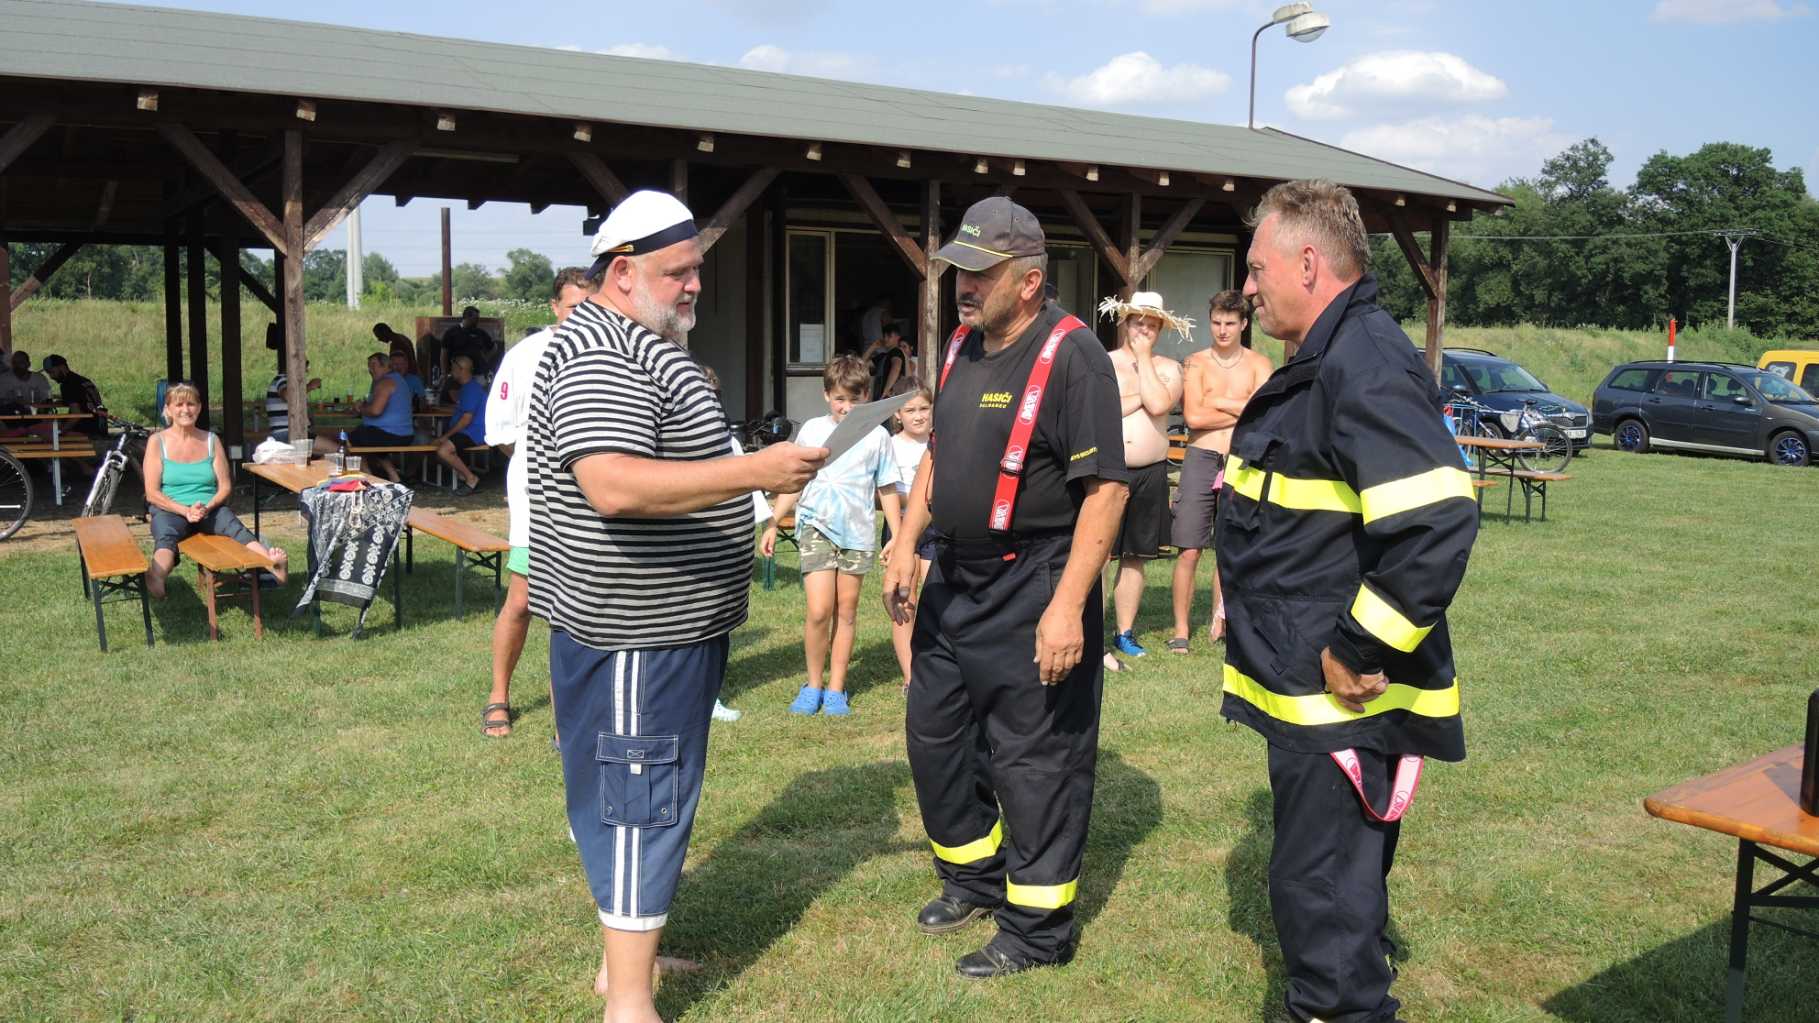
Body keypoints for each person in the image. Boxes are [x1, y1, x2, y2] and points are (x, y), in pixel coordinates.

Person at [523, 189, 826, 1023]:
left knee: (635, 794)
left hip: (664, 626)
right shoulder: (601, 351)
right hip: (636, 632)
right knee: (637, 800)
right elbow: (612, 484)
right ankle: (629, 1002)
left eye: (697, 268)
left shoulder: (635, 340)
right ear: (622, 274)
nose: (695, 285)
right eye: (678, 271)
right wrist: (754, 473)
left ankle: (623, 965)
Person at [1219, 180, 1478, 1023]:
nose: (1247, 287)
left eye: (1256, 268)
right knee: (1329, 885)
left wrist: (1359, 648)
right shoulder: (1330, 356)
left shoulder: (1361, 358)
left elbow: (1436, 518)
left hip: (1340, 696)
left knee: (1322, 898)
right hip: (1309, 688)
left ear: (1306, 261)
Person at [881, 196, 1128, 979]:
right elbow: (936, 454)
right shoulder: (958, 345)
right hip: (953, 575)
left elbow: (1108, 491)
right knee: (936, 737)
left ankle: (1037, 927)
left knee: (1035, 761)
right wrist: (904, 540)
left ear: (1027, 281)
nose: (962, 284)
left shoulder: (1073, 355)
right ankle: (973, 877)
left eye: (978, 272)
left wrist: (1066, 607)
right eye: (958, 269)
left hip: (1035, 581)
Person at [481, 265, 593, 739]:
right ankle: (498, 696)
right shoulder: (526, 355)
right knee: (523, 599)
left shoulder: (606, 351)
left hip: (593, 503)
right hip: (536, 501)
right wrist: (540, 468)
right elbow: (501, 433)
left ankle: (566, 713)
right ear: (554, 307)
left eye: (590, 307)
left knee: (579, 607)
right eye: (573, 308)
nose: (581, 316)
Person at [761, 355, 904, 717]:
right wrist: (775, 519)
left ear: (867, 396)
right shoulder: (810, 430)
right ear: (827, 395)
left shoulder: (878, 436)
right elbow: (796, 482)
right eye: (840, 398)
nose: (847, 407)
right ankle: (812, 684)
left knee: (848, 611)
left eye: (855, 399)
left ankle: (837, 688)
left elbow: (886, 488)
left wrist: (898, 536)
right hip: (816, 527)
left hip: (856, 534)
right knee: (820, 609)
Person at [1169, 290, 1271, 651]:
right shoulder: (1196, 362)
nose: (1222, 330)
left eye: (1230, 323)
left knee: (1229, 546)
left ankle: (1220, 622)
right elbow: (1193, 417)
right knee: (1190, 549)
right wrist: (1240, 406)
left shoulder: (1260, 364)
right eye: (1216, 322)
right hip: (1200, 457)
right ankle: (1180, 629)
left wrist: (1220, 400)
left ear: (1244, 324)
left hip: (1240, 459)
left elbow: (1261, 415)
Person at [1096, 292, 1186, 665]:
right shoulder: (1104, 361)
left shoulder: (1168, 366)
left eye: (1151, 324)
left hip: (1150, 471)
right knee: (1098, 554)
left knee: (1134, 557)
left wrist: (1144, 361)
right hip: (1108, 471)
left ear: (1160, 328)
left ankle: (1125, 632)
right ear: (1125, 322)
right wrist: (1141, 396)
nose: (1143, 329)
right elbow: (1101, 409)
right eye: (1137, 322)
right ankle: (1091, 632)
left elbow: (1162, 404)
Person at [143, 381, 288, 599]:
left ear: (199, 408)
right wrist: (185, 511)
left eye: (191, 404)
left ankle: (272, 565)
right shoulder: (157, 441)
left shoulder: (211, 440)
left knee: (234, 526)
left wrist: (206, 506)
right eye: (179, 404)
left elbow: (226, 486)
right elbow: (152, 493)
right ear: (168, 409)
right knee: (166, 536)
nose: (185, 409)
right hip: (171, 508)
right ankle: (157, 575)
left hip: (208, 507)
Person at [885, 383, 934, 691]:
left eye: (924, 409)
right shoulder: (889, 445)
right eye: (910, 410)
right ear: (897, 415)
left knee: (935, 594)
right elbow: (884, 490)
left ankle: (934, 663)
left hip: (938, 529)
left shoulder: (941, 443)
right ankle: (910, 676)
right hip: (900, 528)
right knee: (906, 598)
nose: (918, 416)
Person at [313, 353, 412, 483]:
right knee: (363, 436)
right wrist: (363, 407)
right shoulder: (395, 379)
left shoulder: (386, 382)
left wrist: (360, 409)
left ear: (386, 366)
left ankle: (368, 478)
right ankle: (395, 477)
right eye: (368, 366)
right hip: (402, 433)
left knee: (348, 440)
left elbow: (375, 411)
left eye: (373, 365)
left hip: (391, 434)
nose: (370, 369)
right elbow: (376, 406)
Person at [433, 355, 488, 496]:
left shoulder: (471, 389)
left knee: (443, 451)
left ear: (461, 369)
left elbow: (466, 419)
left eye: (453, 368)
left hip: (473, 432)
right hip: (467, 431)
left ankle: (471, 479)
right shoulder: (467, 387)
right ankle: (463, 475)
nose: (451, 370)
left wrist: (445, 436)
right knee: (435, 449)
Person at [40, 355, 106, 438]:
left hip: (84, 429)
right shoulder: (82, 380)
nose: (51, 376)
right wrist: (55, 403)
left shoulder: (68, 384)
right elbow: (79, 401)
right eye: (48, 373)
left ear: (62, 367)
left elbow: (77, 414)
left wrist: (60, 433)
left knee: (42, 427)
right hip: (97, 424)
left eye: (52, 372)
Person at [265, 358, 321, 443]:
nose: (306, 371)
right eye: (305, 367)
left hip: (294, 433)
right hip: (287, 434)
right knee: (336, 449)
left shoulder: (291, 382)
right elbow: (288, 396)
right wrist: (310, 386)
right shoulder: (282, 379)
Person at [863, 321, 913, 400]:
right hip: (882, 398)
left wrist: (885, 391)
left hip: (891, 397)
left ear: (897, 337)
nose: (885, 339)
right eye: (884, 336)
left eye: (889, 336)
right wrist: (873, 347)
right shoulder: (882, 356)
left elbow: (896, 367)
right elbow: (860, 366)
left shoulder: (896, 352)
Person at [442, 306, 497, 378]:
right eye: (475, 319)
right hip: (458, 373)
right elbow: (444, 354)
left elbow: (494, 347)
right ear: (467, 317)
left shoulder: (479, 332)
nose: (477, 321)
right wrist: (444, 373)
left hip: (477, 373)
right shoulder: (451, 332)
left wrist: (485, 359)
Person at [389, 344, 428, 409]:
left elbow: (422, 401)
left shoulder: (415, 380)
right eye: (395, 364)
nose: (399, 367)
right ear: (390, 366)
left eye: (402, 364)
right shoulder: (383, 380)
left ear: (407, 365)